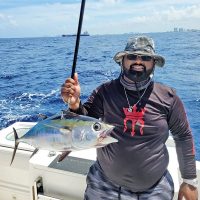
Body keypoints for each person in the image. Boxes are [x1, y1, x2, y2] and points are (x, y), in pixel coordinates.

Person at [61, 36, 198, 200]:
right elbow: (84, 124)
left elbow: (183, 136)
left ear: (154, 63)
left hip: (155, 189)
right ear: (122, 61)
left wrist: (189, 181)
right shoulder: (104, 92)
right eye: (132, 57)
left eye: (146, 58)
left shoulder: (169, 98)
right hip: (104, 184)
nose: (138, 62)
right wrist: (75, 105)